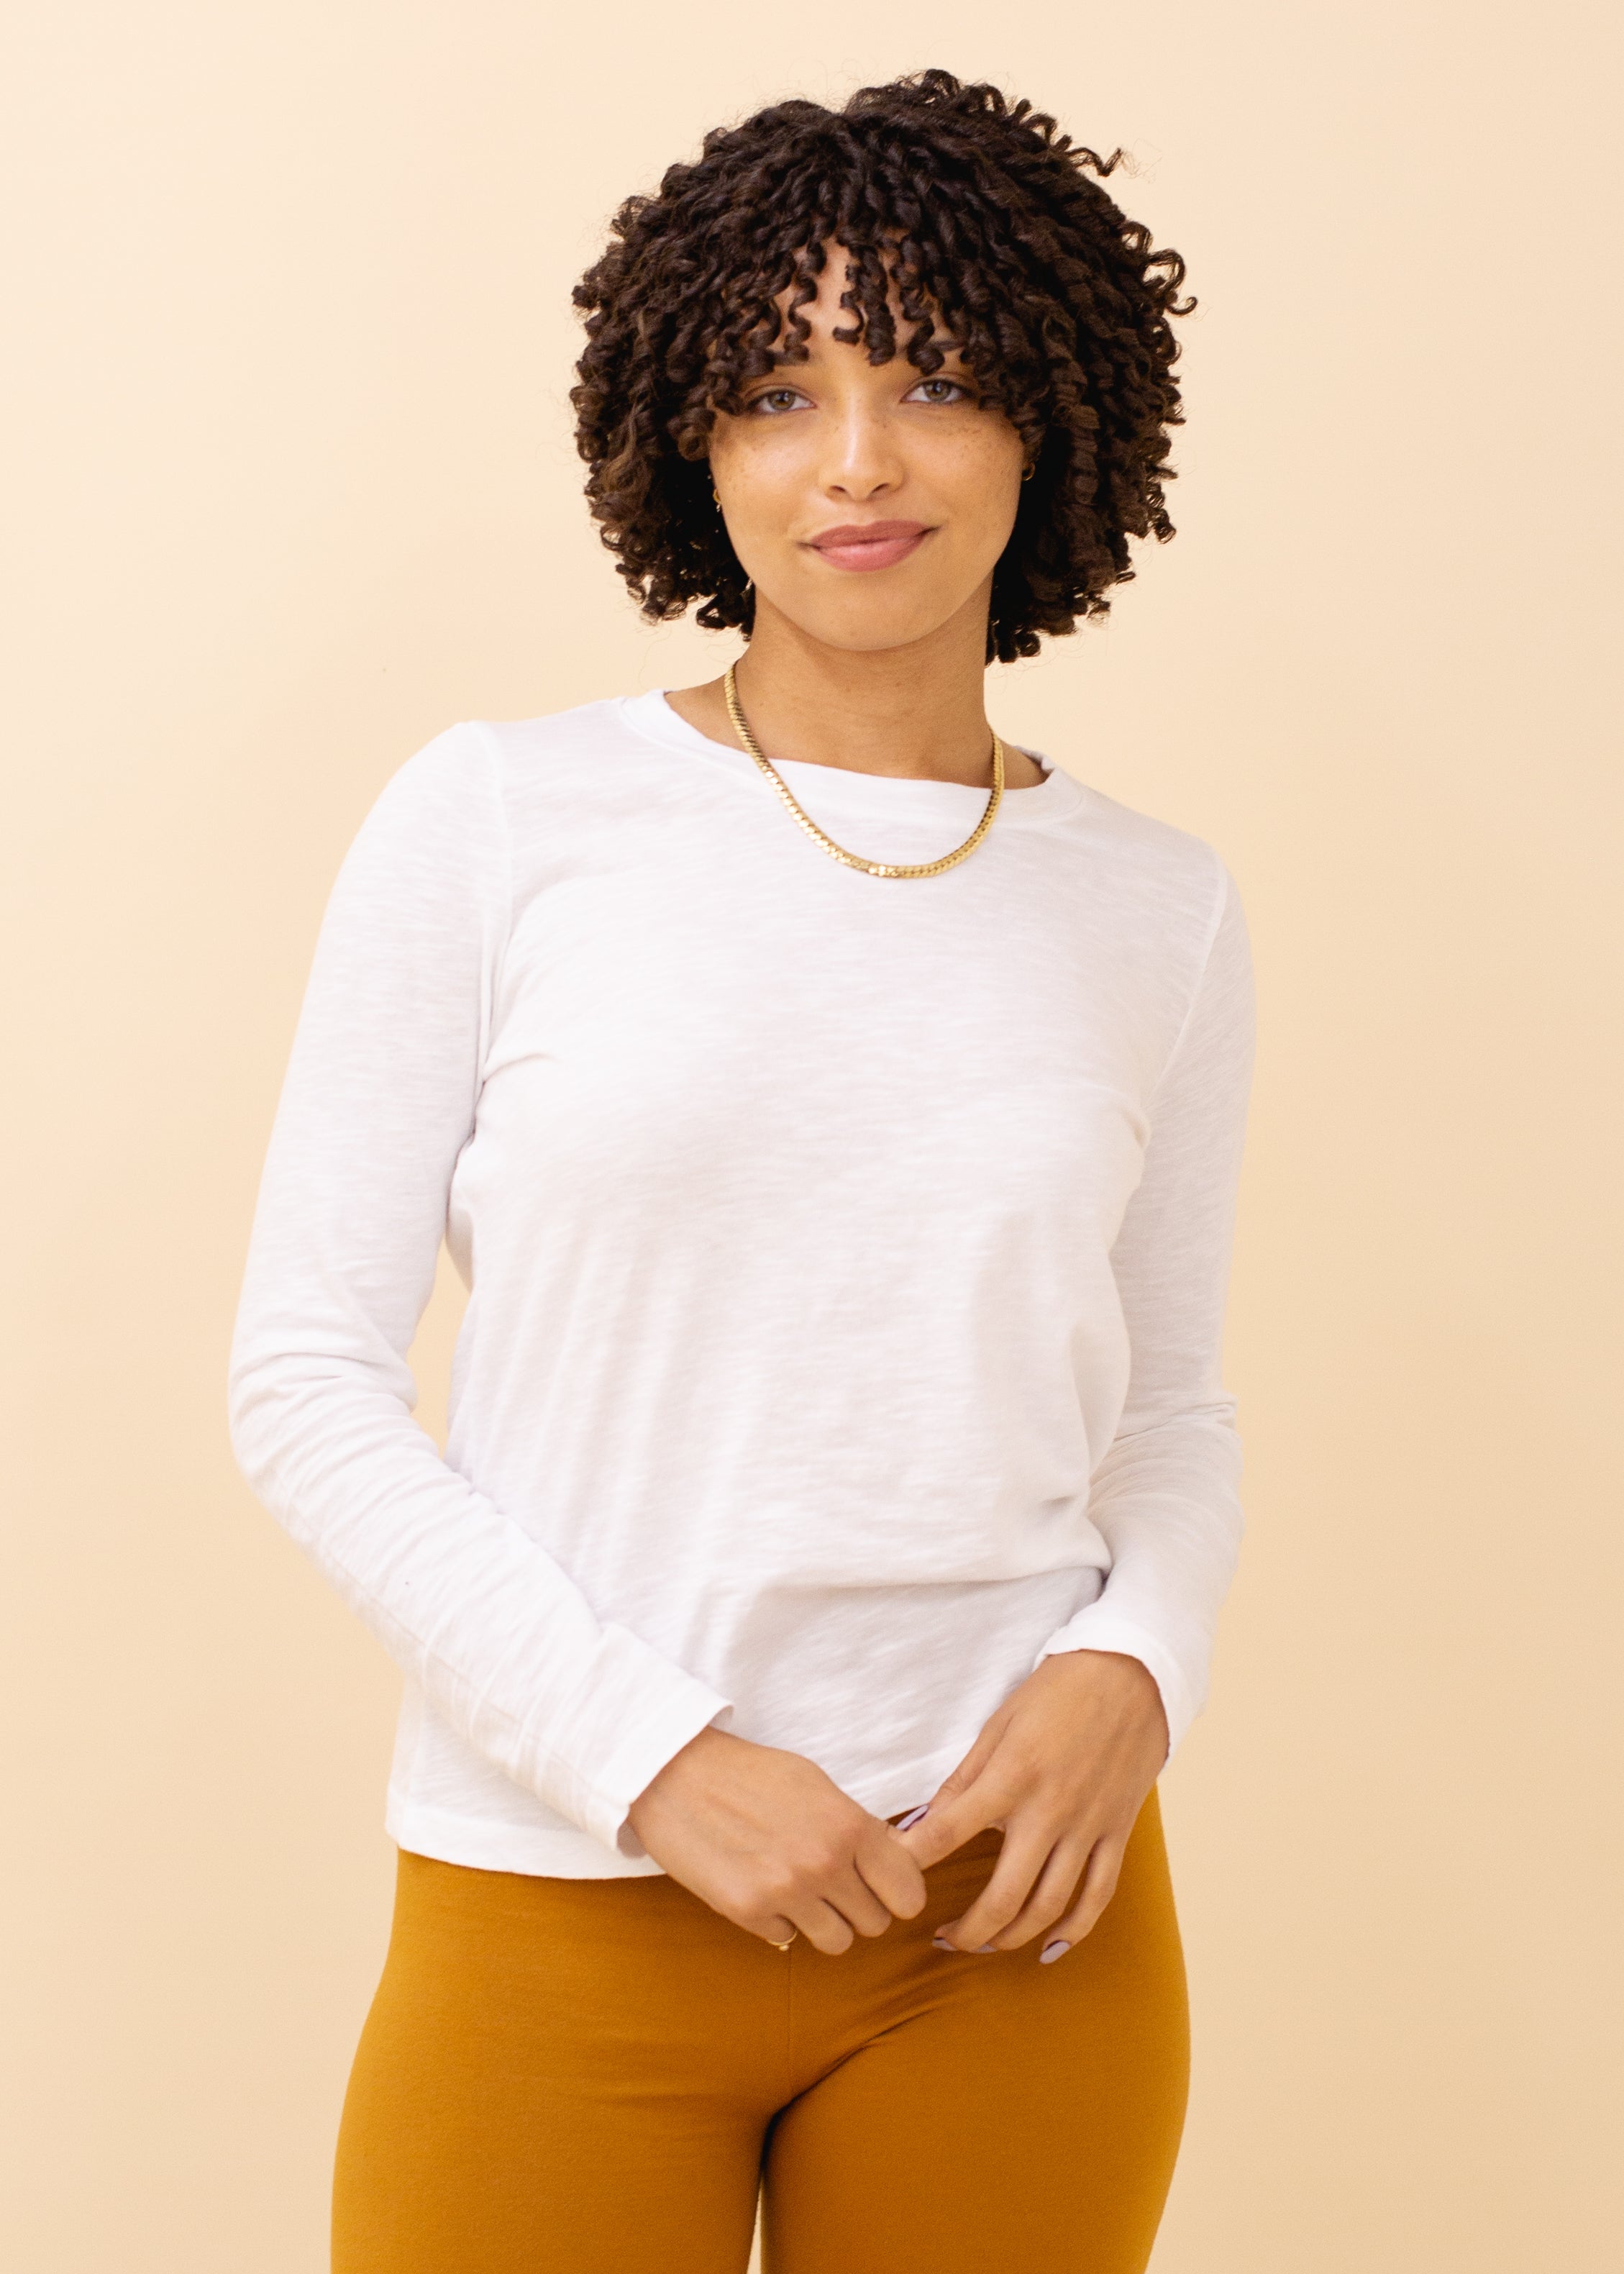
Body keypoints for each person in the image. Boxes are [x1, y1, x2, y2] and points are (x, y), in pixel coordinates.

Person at [228, 67, 1255, 2274]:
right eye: (780, 390)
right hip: (573, 1873)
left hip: (1016, 1912)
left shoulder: (1155, 906)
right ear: (687, 439)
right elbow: (305, 1375)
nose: (857, 461)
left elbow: (1164, 1407)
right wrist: (656, 1753)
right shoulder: (502, 819)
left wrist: (1133, 1666)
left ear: (1050, 422)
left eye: (934, 378)